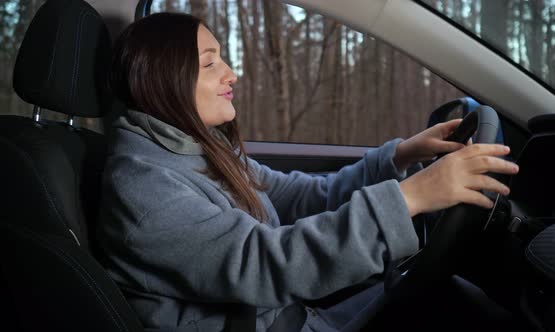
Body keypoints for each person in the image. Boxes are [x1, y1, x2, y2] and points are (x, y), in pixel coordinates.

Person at [96, 12, 519, 332]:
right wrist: (412, 197)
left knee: (442, 300)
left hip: (288, 316)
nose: (232, 73)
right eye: (211, 64)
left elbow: (295, 195)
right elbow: (265, 265)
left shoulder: (196, 147)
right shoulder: (145, 189)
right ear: (164, 79)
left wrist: (400, 157)